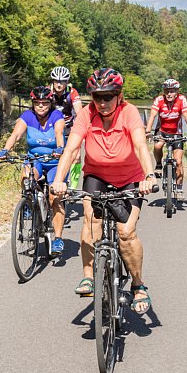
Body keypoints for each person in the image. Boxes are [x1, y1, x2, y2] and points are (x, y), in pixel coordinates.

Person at [51, 68, 157, 315]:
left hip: (130, 179)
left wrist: (149, 176)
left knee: (126, 232)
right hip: (96, 176)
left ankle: (138, 286)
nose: (102, 102)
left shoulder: (129, 112)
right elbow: (71, 149)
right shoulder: (87, 115)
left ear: (118, 96)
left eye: (108, 96)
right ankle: (88, 276)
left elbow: (141, 146)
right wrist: (59, 180)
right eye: (97, 97)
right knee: (89, 220)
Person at [0, 85, 67, 256]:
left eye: (44, 103)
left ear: (50, 103)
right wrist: (5, 150)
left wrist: (60, 148)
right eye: (37, 103)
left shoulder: (56, 115)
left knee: (55, 197)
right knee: (26, 176)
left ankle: (57, 238)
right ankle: (28, 203)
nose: (41, 106)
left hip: (54, 161)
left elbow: (59, 133)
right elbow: (16, 135)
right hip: (35, 159)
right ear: (33, 104)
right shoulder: (27, 116)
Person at [145, 78, 187, 201]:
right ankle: (158, 165)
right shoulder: (159, 100)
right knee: (157, 146)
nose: (169, 94)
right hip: (162, 131)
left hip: (176, 133)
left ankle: (179, 189)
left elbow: (186, 116)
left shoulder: (181, 100)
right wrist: (148, 131)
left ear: (177, 91)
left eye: (172, 91)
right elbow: (152, 116)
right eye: (167, 91)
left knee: (178, 162)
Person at [50, 65, 84, 189]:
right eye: (56, 81)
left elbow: (80, 114)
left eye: (62, 82)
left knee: (76, 157)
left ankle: (73, 188)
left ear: (67, 82)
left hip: (70, 128)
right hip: (53, 128)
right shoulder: (48, 92)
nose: (59, 84)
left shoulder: (72, 93)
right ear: (52, 81)